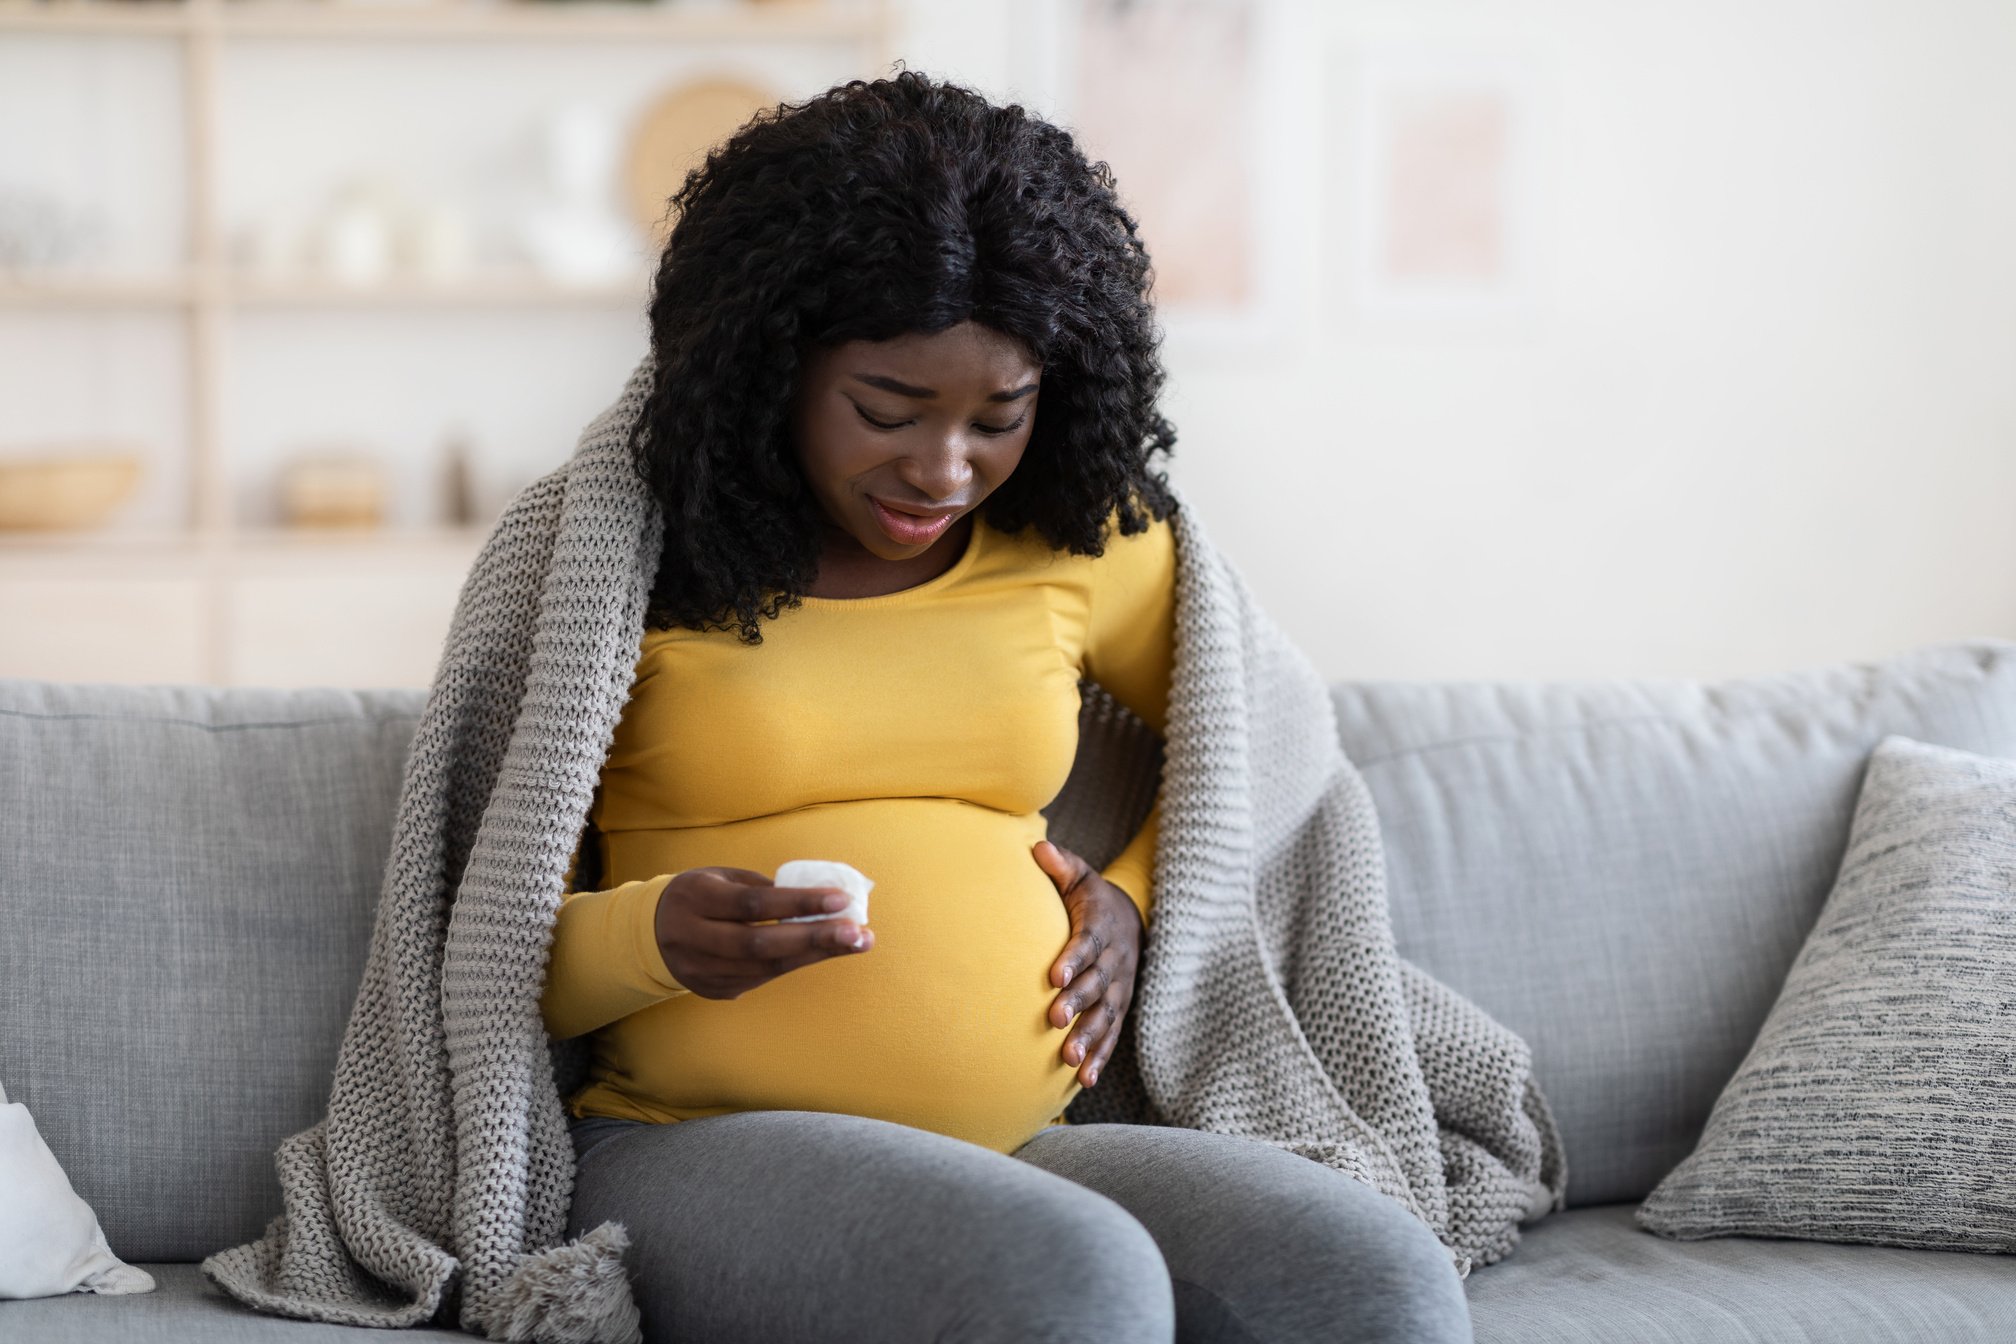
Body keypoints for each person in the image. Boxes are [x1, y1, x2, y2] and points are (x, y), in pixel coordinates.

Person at [536, 68, 1473, 1344]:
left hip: (1028, 1144)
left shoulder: (1083, 544)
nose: (943, 469)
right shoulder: (621, 558)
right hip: (691, 1148)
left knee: (1377, 1276)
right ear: (770, 365)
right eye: (888, 410)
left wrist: (1145, 898)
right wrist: (654, 940)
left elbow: (1267, 745)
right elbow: (474, 949)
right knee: (1069, 1281)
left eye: (999, 417)